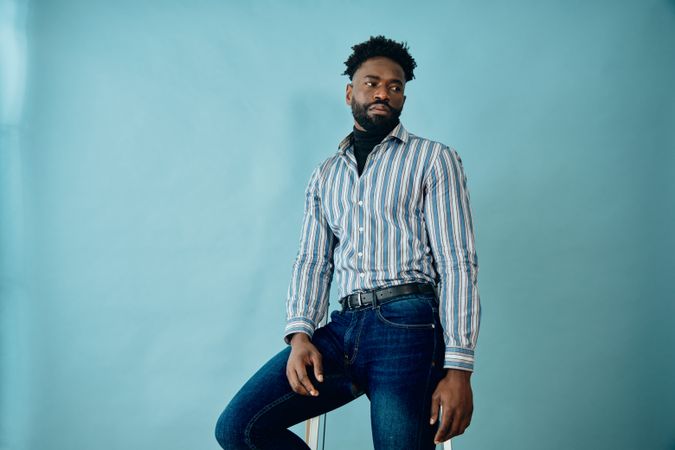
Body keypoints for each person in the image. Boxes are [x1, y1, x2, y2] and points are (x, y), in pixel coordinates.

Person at [215, 35, 481, 450]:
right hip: (343, 330)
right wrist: (300, 335)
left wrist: (459, 369)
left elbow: (458, 263)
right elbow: (312, 261)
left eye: (395, 87)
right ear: (349, 92)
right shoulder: (325, 175)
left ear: (404, 99)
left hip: (406, 324)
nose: (383, 94)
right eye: (372, 83)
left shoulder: (434, 159)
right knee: (240, 428)